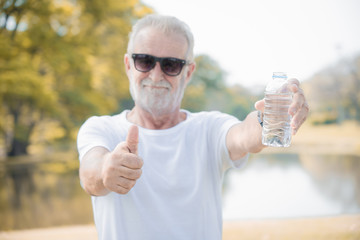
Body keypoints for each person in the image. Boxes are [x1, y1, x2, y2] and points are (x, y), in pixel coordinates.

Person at [77, 14, 309, 240]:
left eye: (170, 65)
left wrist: (269, 118)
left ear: (188, 72)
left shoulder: (210, 128)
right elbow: (90, 173)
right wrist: (107, 168)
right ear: (129, 65)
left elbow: (245, 136)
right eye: (144, 61)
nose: (156, 75)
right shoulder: (100, 128)